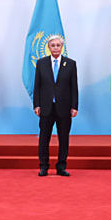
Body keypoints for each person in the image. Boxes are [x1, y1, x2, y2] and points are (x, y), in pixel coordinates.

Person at [32, 35, 77, 176]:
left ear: (62, 47)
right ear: (49, 47)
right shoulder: (41, 63)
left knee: (63, 139)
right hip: (46, 108)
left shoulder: (70, 64)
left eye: (58, 45)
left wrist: (74, 106)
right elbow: (37, 86)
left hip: (64, 108)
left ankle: (61, 167)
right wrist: (37, 104)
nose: (56, 48)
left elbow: (74, 87)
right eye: (53, 45)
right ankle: (43, 166)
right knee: (44, 138)